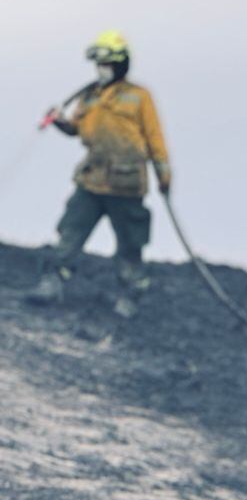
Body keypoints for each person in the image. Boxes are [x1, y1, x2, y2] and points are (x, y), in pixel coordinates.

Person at [28, 30, 171, 309]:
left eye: (106, 64)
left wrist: (164, 175)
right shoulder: (90, 97)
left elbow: (155, 138)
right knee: (70, 231)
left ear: (119, 64)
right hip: (91, 180)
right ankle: (52, 283)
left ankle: (131, 294)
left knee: (130, 243)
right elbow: (76, 127)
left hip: (126, 184)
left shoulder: (138, 97)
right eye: (99, 64)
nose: (101, 69)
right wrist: (59, 122)